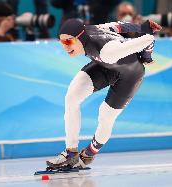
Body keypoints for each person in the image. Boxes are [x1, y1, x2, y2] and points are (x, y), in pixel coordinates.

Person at [46, 18, 161, 168]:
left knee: (105, 115)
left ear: (80, 37)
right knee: (71, 98)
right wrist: (140, 26)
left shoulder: (108, 51)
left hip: (129, 75)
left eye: (68, 42)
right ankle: (71, 152)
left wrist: (147, 56)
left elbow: (149, 39)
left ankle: (89, 154)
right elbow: (119, 26)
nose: (66, 48)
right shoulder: (94, 29)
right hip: (104, 65)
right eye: (62, 43)